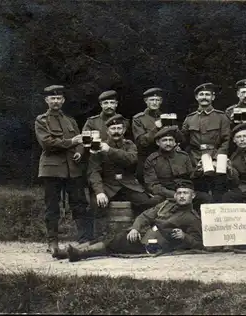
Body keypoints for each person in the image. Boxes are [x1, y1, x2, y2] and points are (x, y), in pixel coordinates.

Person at [65, 180, 204, 262]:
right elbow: (145, 216)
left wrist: (184, 236)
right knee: (112, 237)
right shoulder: (166, 204)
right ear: (175, 195)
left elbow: (199, 243)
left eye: (185, 193)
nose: (181, 196)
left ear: (193, 196)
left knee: (115, 241)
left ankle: (80, 254)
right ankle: (68, 253)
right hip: (142, 234)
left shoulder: (192, 218)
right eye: (179, 193)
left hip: (152, 245)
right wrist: (135, 228)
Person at [34, 85, 94, 254]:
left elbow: (81, 141)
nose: (56, 101)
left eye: (59, 98)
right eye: (52, 98)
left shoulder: (71, 120)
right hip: (52, 170)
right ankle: (53, 242)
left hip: (73, 169)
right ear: (46, 100)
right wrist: (71, 143)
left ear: (63, 100)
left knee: (79, 204)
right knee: (52, 206)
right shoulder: (42, 120)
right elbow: (47, 143)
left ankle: (84, 240)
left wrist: (80, 152)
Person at [88, 114, 162, 239]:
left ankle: (143, 233)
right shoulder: (98, 147)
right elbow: (93, 172)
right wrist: (99, 192)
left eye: (119, 128)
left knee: (147, 202)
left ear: (123, 130)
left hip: (128, 184)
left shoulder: (129, 145)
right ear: (107, 131)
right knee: (96, 204)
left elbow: (132, 159)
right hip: (109, 185)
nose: (116, 132)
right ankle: (99, 238)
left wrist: (109, 150)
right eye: (113, 129)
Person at [181, 83, 231, 202]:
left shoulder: (221, 117)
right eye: (201, 94)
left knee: (218, 193)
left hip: (216, 159)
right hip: (195, 159)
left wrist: (216, 159)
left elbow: (226, 140)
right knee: (200, 194)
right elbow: (184, 140)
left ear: (213, 97)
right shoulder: (189, 118)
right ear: (196, 97)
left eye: (207, 94)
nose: (204, 97)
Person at [144, 125, 213, 210]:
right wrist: (173, 194)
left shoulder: (183, 156)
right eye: (164, 140)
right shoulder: (152, 160)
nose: (168, 143)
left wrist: (197, 171)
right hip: (165, 194)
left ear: (175, 142)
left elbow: (190, 176)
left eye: (171, 140)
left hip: (184, 191)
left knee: (205, 198)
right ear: (158, 142)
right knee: (152, 202)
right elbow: (153, 185)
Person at [132, 88, 166, 188]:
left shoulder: (166, 117)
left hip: (164, 158)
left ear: (161, 101)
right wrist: (157, 128)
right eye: (151, 100)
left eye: (157, 100)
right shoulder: (138, 119)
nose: (154, 102)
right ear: (146, 101)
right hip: (146, 158)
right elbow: (141, 142)